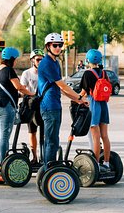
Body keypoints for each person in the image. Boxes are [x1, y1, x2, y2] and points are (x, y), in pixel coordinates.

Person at [38, 32, 88, 166]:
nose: (58, 48)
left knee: (54, 139)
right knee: (51, 140)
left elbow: (61, 89)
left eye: (60, 45)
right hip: (49, 106)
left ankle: (51, 167)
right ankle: (49, 169)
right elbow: (63, 85)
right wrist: (78, 96)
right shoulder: (47, 63)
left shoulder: (55, 62)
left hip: (55, 105)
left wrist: (78, 100)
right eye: (55, 45)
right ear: (48, 46)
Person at [0, 47, 34, 169]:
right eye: (15, 59)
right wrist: (32, 94)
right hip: (6, 107)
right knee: (4, 137)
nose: (15, 61)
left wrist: (19, 94)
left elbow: (5, 88)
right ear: (11, 59)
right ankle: (3, 162)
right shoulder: (9, 70)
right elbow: (19, 87)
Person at [78, 49, 112, 171]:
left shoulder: (88, 73)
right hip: (104, 105)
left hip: (94, 105)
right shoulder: (104, 73)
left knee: (95, 137)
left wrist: (77, 98)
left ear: (88, 60)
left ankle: (96, 164)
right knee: (105, 136)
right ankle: (107, 163)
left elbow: (84, 91)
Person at [20, 49, 44, 164]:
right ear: (32, 60)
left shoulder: (45, 72)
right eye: (38, 59)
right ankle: (34, 157)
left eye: (42, 59)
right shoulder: (27, 73)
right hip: (31, 106)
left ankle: (44, 157)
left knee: (44, 133)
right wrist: (31, 94)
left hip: (43, 106)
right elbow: (23, 88)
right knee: (32, 132)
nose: (40, 61)